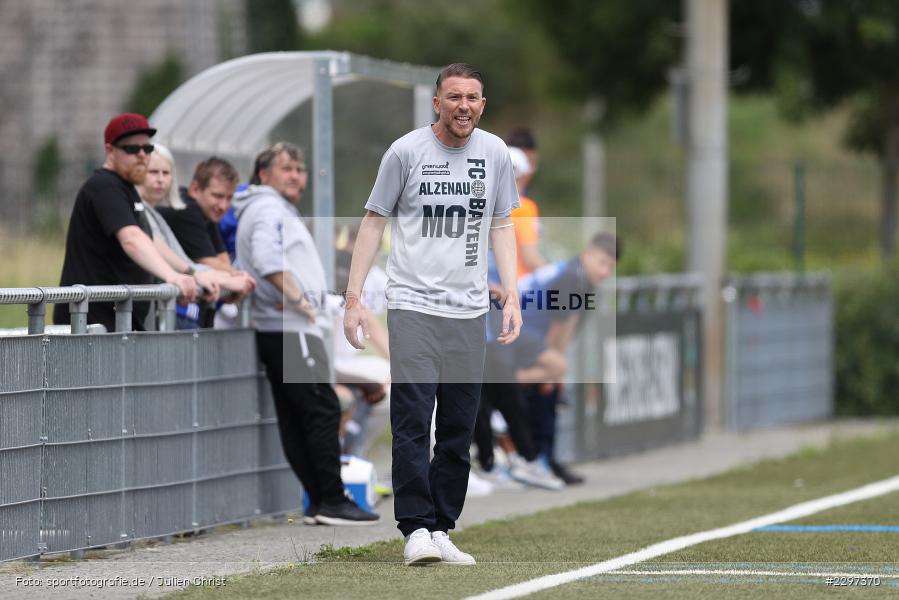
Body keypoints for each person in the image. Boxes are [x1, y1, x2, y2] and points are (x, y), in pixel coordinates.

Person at [344, 63, 522, 566]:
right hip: (413, 307)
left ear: (482, 105)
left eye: (473, 97)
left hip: (468, 312)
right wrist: (353, 299)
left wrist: (511, 294)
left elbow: (502, 224)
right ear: (437, 103)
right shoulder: (405, 152)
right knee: (413, 419)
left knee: (459, 428)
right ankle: (415, 528)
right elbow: (373, 222)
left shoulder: (495, 153)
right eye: (454, 97)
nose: (464, 106)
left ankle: (442, 527)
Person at [234, 141, 379, 526]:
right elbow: (267, 259)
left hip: (285, 328)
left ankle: (319, 501)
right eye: (287, 168)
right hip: (291, 329)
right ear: (263, 173)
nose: (296, 176)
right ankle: (331, 499)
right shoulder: (267, 208)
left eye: (300, 169)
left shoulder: (270, 208)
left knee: (301, 415)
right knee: (321, 409)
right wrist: (299, 301)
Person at [54, 113, 200, 332]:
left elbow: (149, 240)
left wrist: (192, 273)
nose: (141, 155)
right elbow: (131, 238)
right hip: (94, 324)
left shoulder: (125, 188)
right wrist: (171, 276)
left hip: (116, 322)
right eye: (131, 149)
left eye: (147, 148)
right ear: (110, 150)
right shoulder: (105, 187)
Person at [515, 232, 621, 485]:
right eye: (602, 263)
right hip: (516, 329)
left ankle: (544, 458)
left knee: (549, 389)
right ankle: (537, 458)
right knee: (548, 381)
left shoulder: (580, 277)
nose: (605, 272)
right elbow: (557, 329)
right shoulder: (573, 278)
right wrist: (552, 368)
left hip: (526, 333)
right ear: (587, 255)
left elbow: (568, 326)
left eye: (611, 267)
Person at [136, 144, 255, 319]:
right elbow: (202, 263)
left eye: (166, 173)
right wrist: (231, 279)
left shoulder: (202, 211)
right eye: (153, 172)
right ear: (195, 189)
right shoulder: (186, 210)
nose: (223, 206)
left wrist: (233, 277)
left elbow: (219, 261)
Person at [507, 128, 547, 277]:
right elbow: (530, 258)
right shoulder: (523, 206)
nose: (532, 170)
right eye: (530, 162)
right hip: (518, 285)